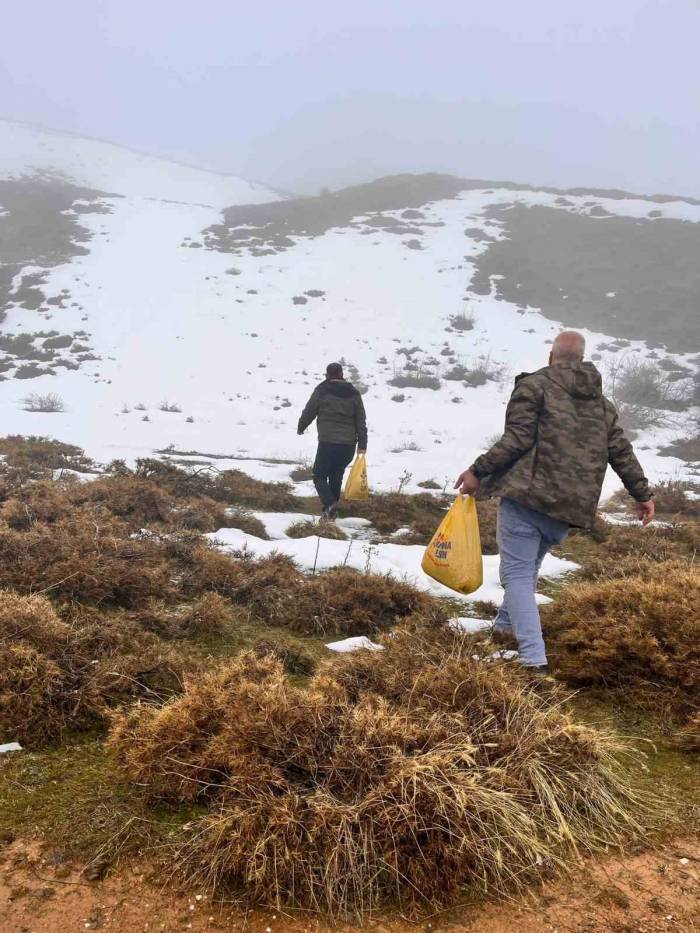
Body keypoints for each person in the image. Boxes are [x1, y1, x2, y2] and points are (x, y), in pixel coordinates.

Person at [455, 331, 654, 675]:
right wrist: (642, 494)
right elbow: (621, 452)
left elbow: (516, 439)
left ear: (551, 356)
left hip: (527, 498)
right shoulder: (603, 407)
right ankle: (503, 630)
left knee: (516, 574)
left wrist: (477, 470)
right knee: (526, 568)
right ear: (581, 359)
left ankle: (533, 660)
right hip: (568, 509)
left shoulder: (534, 387)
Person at [297, 362, 368, 519]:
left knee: (319, 475)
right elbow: (360, 420)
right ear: (342, 374)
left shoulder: (322, 390)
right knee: (336, 475)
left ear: (327, 375)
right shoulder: (354, 393)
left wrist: (301, 426)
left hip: (328, 442)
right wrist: (362, 444)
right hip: (348, 445)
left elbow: (310, 410)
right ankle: (330, 513)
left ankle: (330, 505)